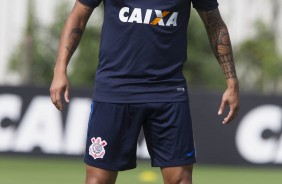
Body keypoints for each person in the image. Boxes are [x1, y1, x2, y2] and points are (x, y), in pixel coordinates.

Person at [50, 0, 240, 183]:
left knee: (180, 179)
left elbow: (215, 25)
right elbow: (78, 17)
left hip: (168, 91)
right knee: (97, 180)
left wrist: (231, 82)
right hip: (115, 90)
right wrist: (60, 70)